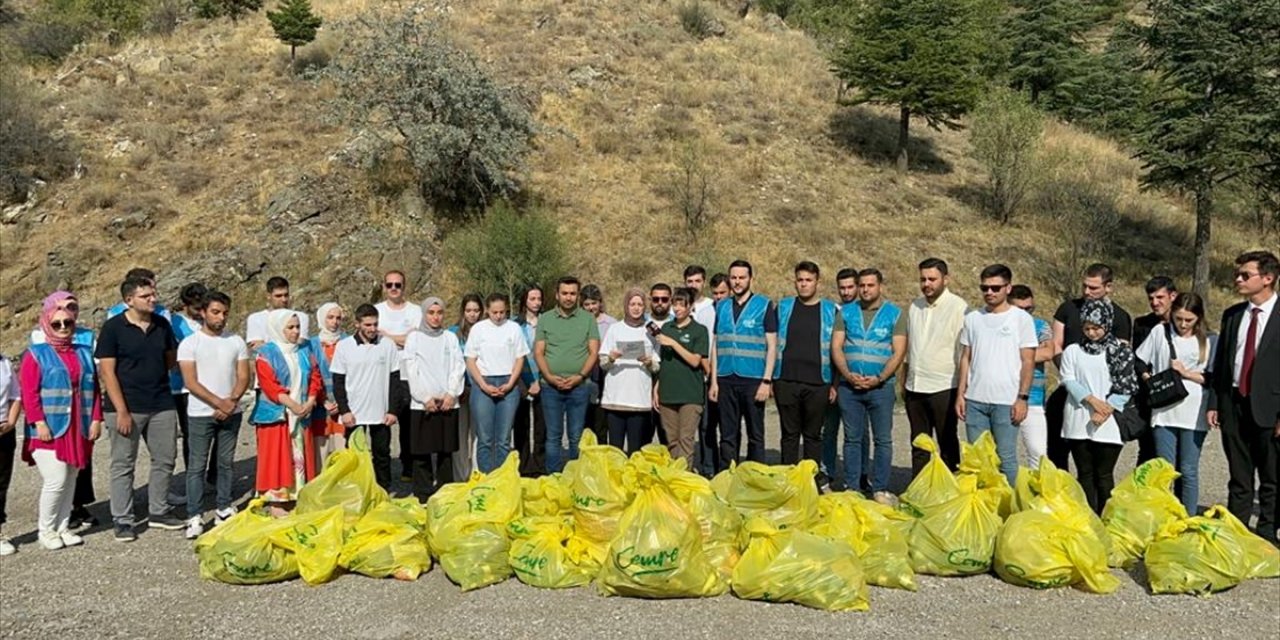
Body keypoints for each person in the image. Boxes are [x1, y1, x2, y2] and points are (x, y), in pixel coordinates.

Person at [97, 277, 182, 542]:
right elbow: (107, 372)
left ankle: (158, 511)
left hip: (161, 403)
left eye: (153, 294)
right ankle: (123, 519)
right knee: (123, 463)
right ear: (129, 300)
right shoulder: (113, 328)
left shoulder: (162, 325)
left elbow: (170, 360)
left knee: (165, 458)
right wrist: (121, 410)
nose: (152, 299)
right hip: (125, 406)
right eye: (146, 296)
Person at [20, 293, 104, 550]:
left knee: (71, 479)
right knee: (55, 480)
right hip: (50, 427)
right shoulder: (36, 354)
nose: (64, 328)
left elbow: (95, 389)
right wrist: (38, 422)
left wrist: (96, 419)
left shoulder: (83, 352)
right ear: (46, 323)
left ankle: (63, 526)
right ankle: (45, 530)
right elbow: (29, 393)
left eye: (68, 323)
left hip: (78, 424)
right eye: (57, 324)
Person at [1208, 250, 1280, 543]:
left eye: (1245, 275)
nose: (1238, 279)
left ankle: (1266, 533)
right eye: (1237, 274)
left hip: (1269, 406)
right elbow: (1221, 364)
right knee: (1239, 474)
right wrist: (1215, 402)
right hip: (1234, 403)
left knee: (1272, 476)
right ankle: (1236, 534)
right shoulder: (1233, 316)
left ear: (1268, 278)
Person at [177, 290, 250, 538]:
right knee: (196, 465)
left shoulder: (236, 341)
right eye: (216, 312)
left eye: (225, 313)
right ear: (203, 312)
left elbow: (243, 376)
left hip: (232, 411)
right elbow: (190, 381)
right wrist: (218, 402)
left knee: (225, 463)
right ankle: (194, 515)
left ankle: (223, 507)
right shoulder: (190, 343)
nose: (221, 318)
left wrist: (231, 401)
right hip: (200, 413)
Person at [955, 264, 1037, 486]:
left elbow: (1028, 360)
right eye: (985, 288)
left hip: (1006, 401)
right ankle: (983, 508)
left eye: (995, 288)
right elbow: (966, 357)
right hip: (975, 400)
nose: (989, 293)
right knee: (978, 460)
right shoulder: (973, 318)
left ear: (1008, 288)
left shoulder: (1021, 319)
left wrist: (1022, 398)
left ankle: (1008, 508)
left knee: (1006, 458)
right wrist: (961, 394)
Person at [1047, 263, 1133, 470]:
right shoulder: (1068, 308)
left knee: (1095, 463)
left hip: (1103, 395)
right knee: (1056, 449)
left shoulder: (1120, 316)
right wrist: (1072, 379)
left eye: (1093, 288)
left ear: (1108, 287)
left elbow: (1121, 362)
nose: (1087, 292)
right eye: (1085, 286)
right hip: (1069, 384)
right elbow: (1056, 345)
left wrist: (1105, 403)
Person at [1136, 292, 1214, 515]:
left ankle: (1188, 517)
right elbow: (1140, 359)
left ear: (1198, 318)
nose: (1182, 324)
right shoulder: (1160, 332)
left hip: (1194, 410)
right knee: (1164, 468)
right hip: (1164, 408)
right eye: (1178, 318)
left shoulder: (1209, 340)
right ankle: (1163, 515)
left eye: (1188, 320)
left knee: (1188, 470)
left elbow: (1211, 378)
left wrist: (1186, 373)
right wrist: (1148, 378)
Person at [831, 268, 905, 503]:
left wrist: (880, 378)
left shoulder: (894, 314)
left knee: (882, 439)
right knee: (852, 439)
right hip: (849, 387)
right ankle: (852, 487)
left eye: (870, 285)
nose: (865, 290)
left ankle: (880, 488)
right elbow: (836, 347)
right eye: (861, 285)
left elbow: (899, 352)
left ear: (880, 286)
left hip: (881, 388)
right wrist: (848, 375)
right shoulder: (846, 313)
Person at [1060, 300, 1138, 515]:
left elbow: (1126, 385)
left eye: (1096, 328)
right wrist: (1092, 401)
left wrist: (1105, 411)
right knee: (1084, 472)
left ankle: (1106, 516)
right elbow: (1068, 379)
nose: (1092, 333)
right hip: (1078, 418)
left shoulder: (1121, 351)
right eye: (1087, 328)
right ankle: (1087, 515)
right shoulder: (1073, 350)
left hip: (1109, 421)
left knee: (1103, 474)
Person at [898, 257, 967, 474]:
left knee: (947, 442)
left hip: (944, 385)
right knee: (919, 444)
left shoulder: (959, 307)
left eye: (932, 279)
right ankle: (919, 491)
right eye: (923, 279)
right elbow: (911, 346)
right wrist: (905, 378)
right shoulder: (915, 306)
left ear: (945, 279)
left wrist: (962, 391)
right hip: (915, 385)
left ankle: (951, 491)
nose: (927, 284)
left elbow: (963, 351)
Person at [250, 310, 324, 509]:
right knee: (278, 456)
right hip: (278, 414)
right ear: (278, 328)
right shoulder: (266, 354)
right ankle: (277, 500)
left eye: (297, 327)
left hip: (301, 412)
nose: (295, 331)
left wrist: (309, 401)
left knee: (299, 453)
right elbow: (270, 385)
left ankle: (299, 494)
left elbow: (315, 376)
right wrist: (294, 406)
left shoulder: (303, 350)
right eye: (290, 327)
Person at [774, 261, 839, 485]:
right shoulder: (783, 307)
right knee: (789, 435)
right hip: (786, 380)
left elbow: (838, 349)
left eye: (808, 280)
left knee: (813, 436)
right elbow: (771, 343)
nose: (804, 284)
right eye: (800, 280)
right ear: (795, 282)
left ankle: (811, 480)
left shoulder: (831, 310)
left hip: (819, 382)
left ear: (817, 283)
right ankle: (789, 481)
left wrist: (835, 384)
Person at [710, 260, 778, 465]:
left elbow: (772, 346)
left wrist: (766, 381)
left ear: (751, 279)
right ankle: (728, 478)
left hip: (753, 380)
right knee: (728, 434)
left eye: (742, 277)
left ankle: (755, 477)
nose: (737, 282)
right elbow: (716, 344)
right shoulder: (721, 306)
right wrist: (713, 381)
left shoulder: (764, 305)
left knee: (755, 434)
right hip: (725, 378)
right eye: (734, 277)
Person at [331, 304, 402, 491]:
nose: (372, 329)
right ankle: (356, 492)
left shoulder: (387, 345)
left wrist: (393, 410)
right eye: (368, 325)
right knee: (355, 456)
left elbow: (395, 380)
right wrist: (344, 411)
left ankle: (384, 492)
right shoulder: (344, 346)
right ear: (357, 324)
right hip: (354, 413)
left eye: (375, 324)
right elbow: (338, 382)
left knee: (382, 454)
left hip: (381, 412)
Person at [534, 276, 601, 472]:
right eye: (565, 293)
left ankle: (576, 479)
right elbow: (538, 352)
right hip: (550, 387)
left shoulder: (588, 319)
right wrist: (548, 376)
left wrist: (580, 376)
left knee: (576, 436)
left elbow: (593, 352)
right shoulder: (545, 319)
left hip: (579, 386)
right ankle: (554, 480)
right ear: (557, 295)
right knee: (553, 436)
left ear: (578, 295)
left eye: (573, 293)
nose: (569, 297)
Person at [402, 298, 465, 502]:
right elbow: (412, 369)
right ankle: (423, 493)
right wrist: (425, 398)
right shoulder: (414, 338)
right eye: (431, 312)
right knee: (422, 452)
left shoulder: (450, 338)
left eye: (439, 312)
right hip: (423, 404)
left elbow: (458, 366)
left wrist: (451, 393)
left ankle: (445, 492)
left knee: (445, 451)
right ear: (424, 314)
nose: (435, 317)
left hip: (447, 402)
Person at [465, 294, 528, 473]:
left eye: (502, 312)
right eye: (494, 312)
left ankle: (502, 477)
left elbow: (519, 358)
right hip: (483, 383)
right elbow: (470, 360)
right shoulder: (478, 329)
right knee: (484, 437)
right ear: (487, 310)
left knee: (503, 438)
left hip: (508, 383)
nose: (499, 316)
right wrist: (483, 385)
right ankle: (485, 476)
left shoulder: (514, 328)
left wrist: (510, 383)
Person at [375, 270, 422, 484]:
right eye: (389, 284)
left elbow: (416, 340)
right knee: (382, 423)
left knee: (409, 424)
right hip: (382, 374)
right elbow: (375, 339)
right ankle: (381, 472)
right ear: (384, 286)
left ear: (404, 286)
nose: (394, 288)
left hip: (409, 373)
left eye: (398, 285)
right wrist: (402, 338)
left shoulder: (416, 311)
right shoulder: (377, 311)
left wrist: (388, 337)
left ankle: (409, 466)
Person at [598, 288, 659, 453]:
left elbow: (657, 365)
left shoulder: (650, 331)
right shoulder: (614, 329)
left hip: (639, 400)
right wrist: (611, 357)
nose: (636, 308)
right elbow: (603, 362)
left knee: (636, 449)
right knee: (615, 450)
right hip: (616, 398)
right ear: (626, 305)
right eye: (632, 304)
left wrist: (648, 362)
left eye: (640, 304)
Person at [657, 287, 710, 466]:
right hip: (668, 392)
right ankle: (674, 478)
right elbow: (663, 362)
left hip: (690, 394)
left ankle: (685, 480)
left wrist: (673, 343)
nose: (677, 309)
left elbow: (695, 361)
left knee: (686, 440)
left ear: (690, 306)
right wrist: (656, 388)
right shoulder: (666, 327)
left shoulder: (699, 330)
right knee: (671, 441)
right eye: (675, 305)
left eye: (681, 305)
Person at [167, 282, 208, 510]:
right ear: (185, 306)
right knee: (190, 433)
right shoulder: (174, 323)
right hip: (180, 387)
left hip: (207, 382)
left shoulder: (209, 320)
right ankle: (194, 477)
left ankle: (204, 475)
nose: (200, 312)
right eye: (195, 308)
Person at [1132, 276, 1179, 465]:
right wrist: (1145, 376)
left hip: (1178, 391)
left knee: (1181, 455)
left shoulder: (1184, 321)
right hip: (1150, 393)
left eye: (1160, 297)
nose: (1154, 302)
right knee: (1147, 449)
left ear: (1173, 296)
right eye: (1151, 298)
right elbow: (1136, 357)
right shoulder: (1142, 323)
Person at [1008, 285, 1055, 469]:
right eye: (1020, 309)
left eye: (1030, 309)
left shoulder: (1041, 325)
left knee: (1038, 453)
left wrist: (1014, 354)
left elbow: (1048, 352)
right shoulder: (1002, 325)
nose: (1026, 314)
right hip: (1003, 395)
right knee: (1002, 452)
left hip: (1033, 398)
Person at [697, 273, 731, 477]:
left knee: (729, 428)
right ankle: (709, 469)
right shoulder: (705, 313)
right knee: (706, 426)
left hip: (728, 375)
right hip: (707, 375)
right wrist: (710, 373)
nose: (719, 297)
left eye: (723, 293)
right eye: (716, 293)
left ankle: (728, 468)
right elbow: (703, 346)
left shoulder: (734, 311)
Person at [448, 294, 483, 481]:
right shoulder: (452, 333)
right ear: (463, 312)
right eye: (469, 310)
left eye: (476, 310)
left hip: (480, 389)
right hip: (459, 392)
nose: (472, 315)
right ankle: (460, 476)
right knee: (460, 436)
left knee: (478, 434)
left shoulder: (486, 331)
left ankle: (478, 473)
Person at [514, 284, 546, 477]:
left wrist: (540, 380)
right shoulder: (514, 325)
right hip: (520, 381)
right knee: (521, 425)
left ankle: (541, 465)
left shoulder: (547, 322)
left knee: (543, 426)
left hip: (543, 380)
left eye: (539, 299)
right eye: (532, 299)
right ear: (524, 300)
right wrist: (522, 383)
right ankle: (524, 464)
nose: (536, 303)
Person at [309, 303, 348, 459]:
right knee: (321, 448)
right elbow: (310, 375)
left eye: (338, 318)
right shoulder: (311, 344)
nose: (335, 322)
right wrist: (322, 400)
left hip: (343, 402)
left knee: (342, 447)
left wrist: (342, 401)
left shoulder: (348, 341)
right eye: (330, 317)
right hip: (319, 403)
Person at [580, 284, 615, 444]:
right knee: (583, 422)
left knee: (601, 423)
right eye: (586, 304)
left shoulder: (610, 323)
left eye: (593, 303)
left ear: (600, 303)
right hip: (583, 373)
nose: (590, 307)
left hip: (604, 375)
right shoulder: (577, 321)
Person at [245, 276, 309, 351]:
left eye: (286, 295)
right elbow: (257, 347)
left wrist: (268, 345)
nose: (284, 299)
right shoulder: (256, 318)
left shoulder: (300, 317)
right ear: (268, 296)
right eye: (278, 296)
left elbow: (300, 344)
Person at [0, 354, 20, 556]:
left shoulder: (5, 363)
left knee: (1, 483)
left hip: (3, 431)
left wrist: (11, 422)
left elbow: (16, 395)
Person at [684, 265, 717, 331]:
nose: (693, 285)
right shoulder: (677, 307)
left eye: (697, 281)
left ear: (704, 283)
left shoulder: (713, 305)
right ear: (685, 283)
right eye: (690, 281)